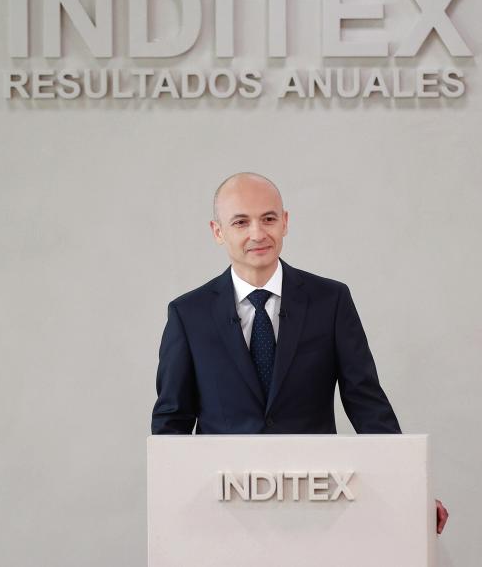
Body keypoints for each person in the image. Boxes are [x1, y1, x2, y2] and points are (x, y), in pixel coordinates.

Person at [150, 172, 448, 533]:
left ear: (285, 222)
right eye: (241, 222)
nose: (257, 233)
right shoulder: (188, 314)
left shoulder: (331, 301)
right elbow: (172, 422)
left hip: (316, 502)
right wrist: (175, 508)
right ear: (218, 231)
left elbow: (366, 402)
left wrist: (410, 490)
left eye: (268, 218)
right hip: (222, 508)